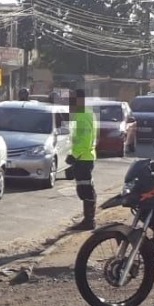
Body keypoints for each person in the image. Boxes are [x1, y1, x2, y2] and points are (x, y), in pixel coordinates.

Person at [66, 89, 98, 230]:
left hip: (83, 158)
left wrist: (74, 155)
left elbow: (84, 139)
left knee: (85, 189)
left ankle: (89, 220)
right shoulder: (86, 113)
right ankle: (89, 219)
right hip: (85, 156)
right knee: (86, 188)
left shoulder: (83, 116)